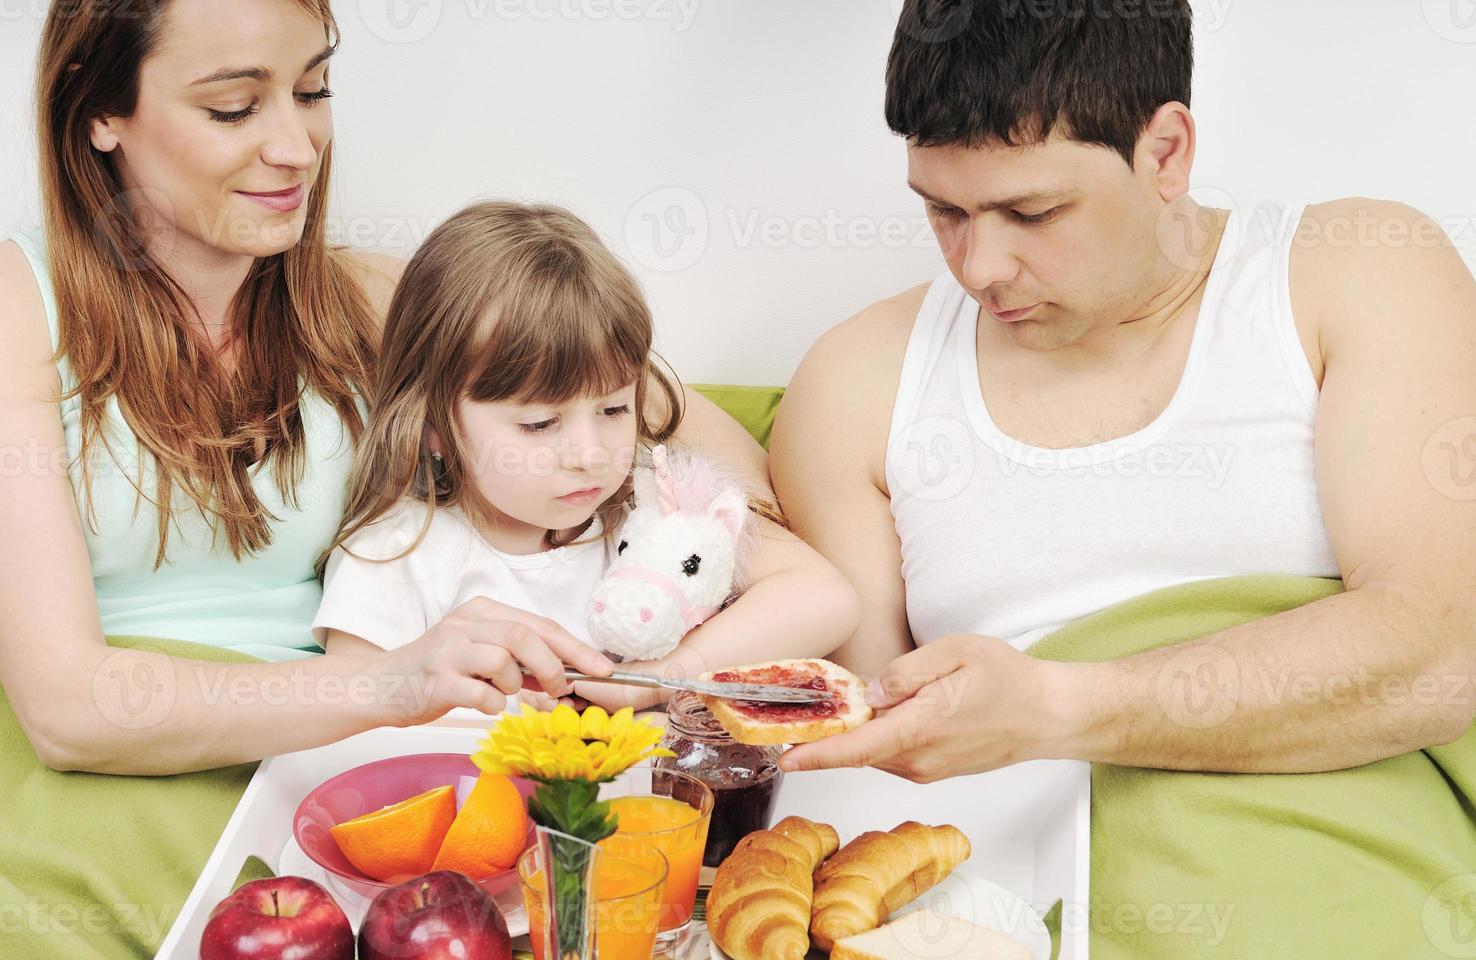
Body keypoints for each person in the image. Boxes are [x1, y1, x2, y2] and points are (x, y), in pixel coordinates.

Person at [0, 0, 775, 776]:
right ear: (99, 108)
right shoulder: (20, 311)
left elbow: (694, 442)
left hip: (330, 769)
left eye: (313, 92)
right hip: (118, 782)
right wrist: (387, 681)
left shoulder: (366, 300)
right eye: (232, 108)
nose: (297, 148)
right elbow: (70, 713)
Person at [772, 0, 1476, 780]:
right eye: (944, 211)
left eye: (1032, 212)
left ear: (1166, 152)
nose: (980, 270)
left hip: (1325, 863)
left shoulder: (1358, 272)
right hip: (994, 881)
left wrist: (1055, 709)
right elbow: (868, 746)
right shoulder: (853, 383)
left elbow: (1438, 654)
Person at [311, 200, 859, 710]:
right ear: (433, 425)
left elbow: (825, 597)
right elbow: (351, 712)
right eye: (540, 423)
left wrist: (657, 680)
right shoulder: (399, 551)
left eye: (615, 410)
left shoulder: (647, 506)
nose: (590, 455)